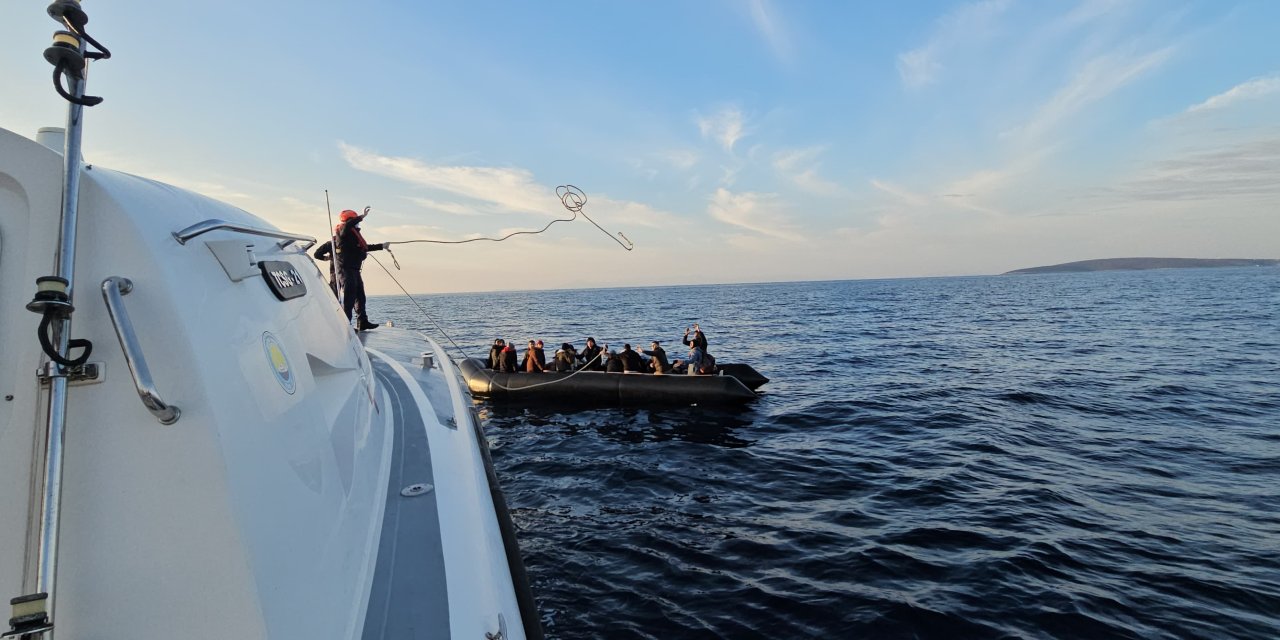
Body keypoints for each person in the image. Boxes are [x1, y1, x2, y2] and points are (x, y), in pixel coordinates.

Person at [313, 208, 386, 331]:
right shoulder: (342, 233)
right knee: (349, 297)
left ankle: (362, 321)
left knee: (360, 296)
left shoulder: (353, 238)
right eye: (355, 221)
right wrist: (363, 216)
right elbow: (317, 254)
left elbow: (365, 248)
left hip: (354, 270)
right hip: (344, 271)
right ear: (350, 221)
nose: (357, 224)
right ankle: (345, 324)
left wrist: (382, 246)